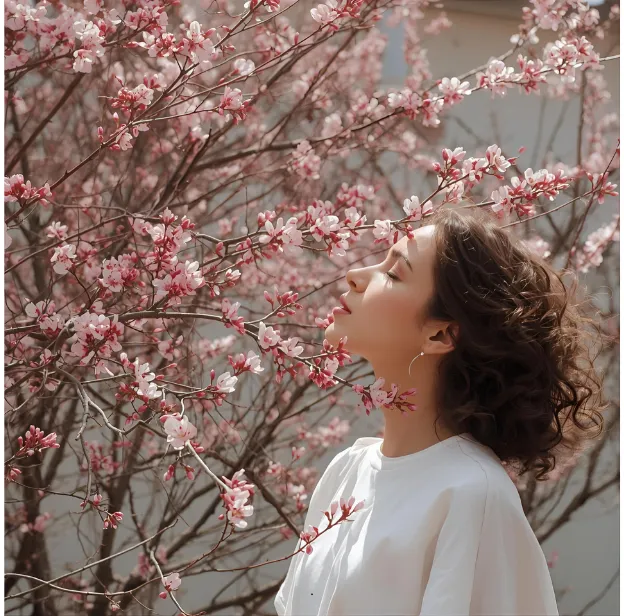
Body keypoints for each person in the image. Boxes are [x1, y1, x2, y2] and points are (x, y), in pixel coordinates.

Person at [274, 206, 605, 616]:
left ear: (441, 333)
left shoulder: (473, 495)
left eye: (394, 273)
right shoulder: (346, 471)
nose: (355, 275)